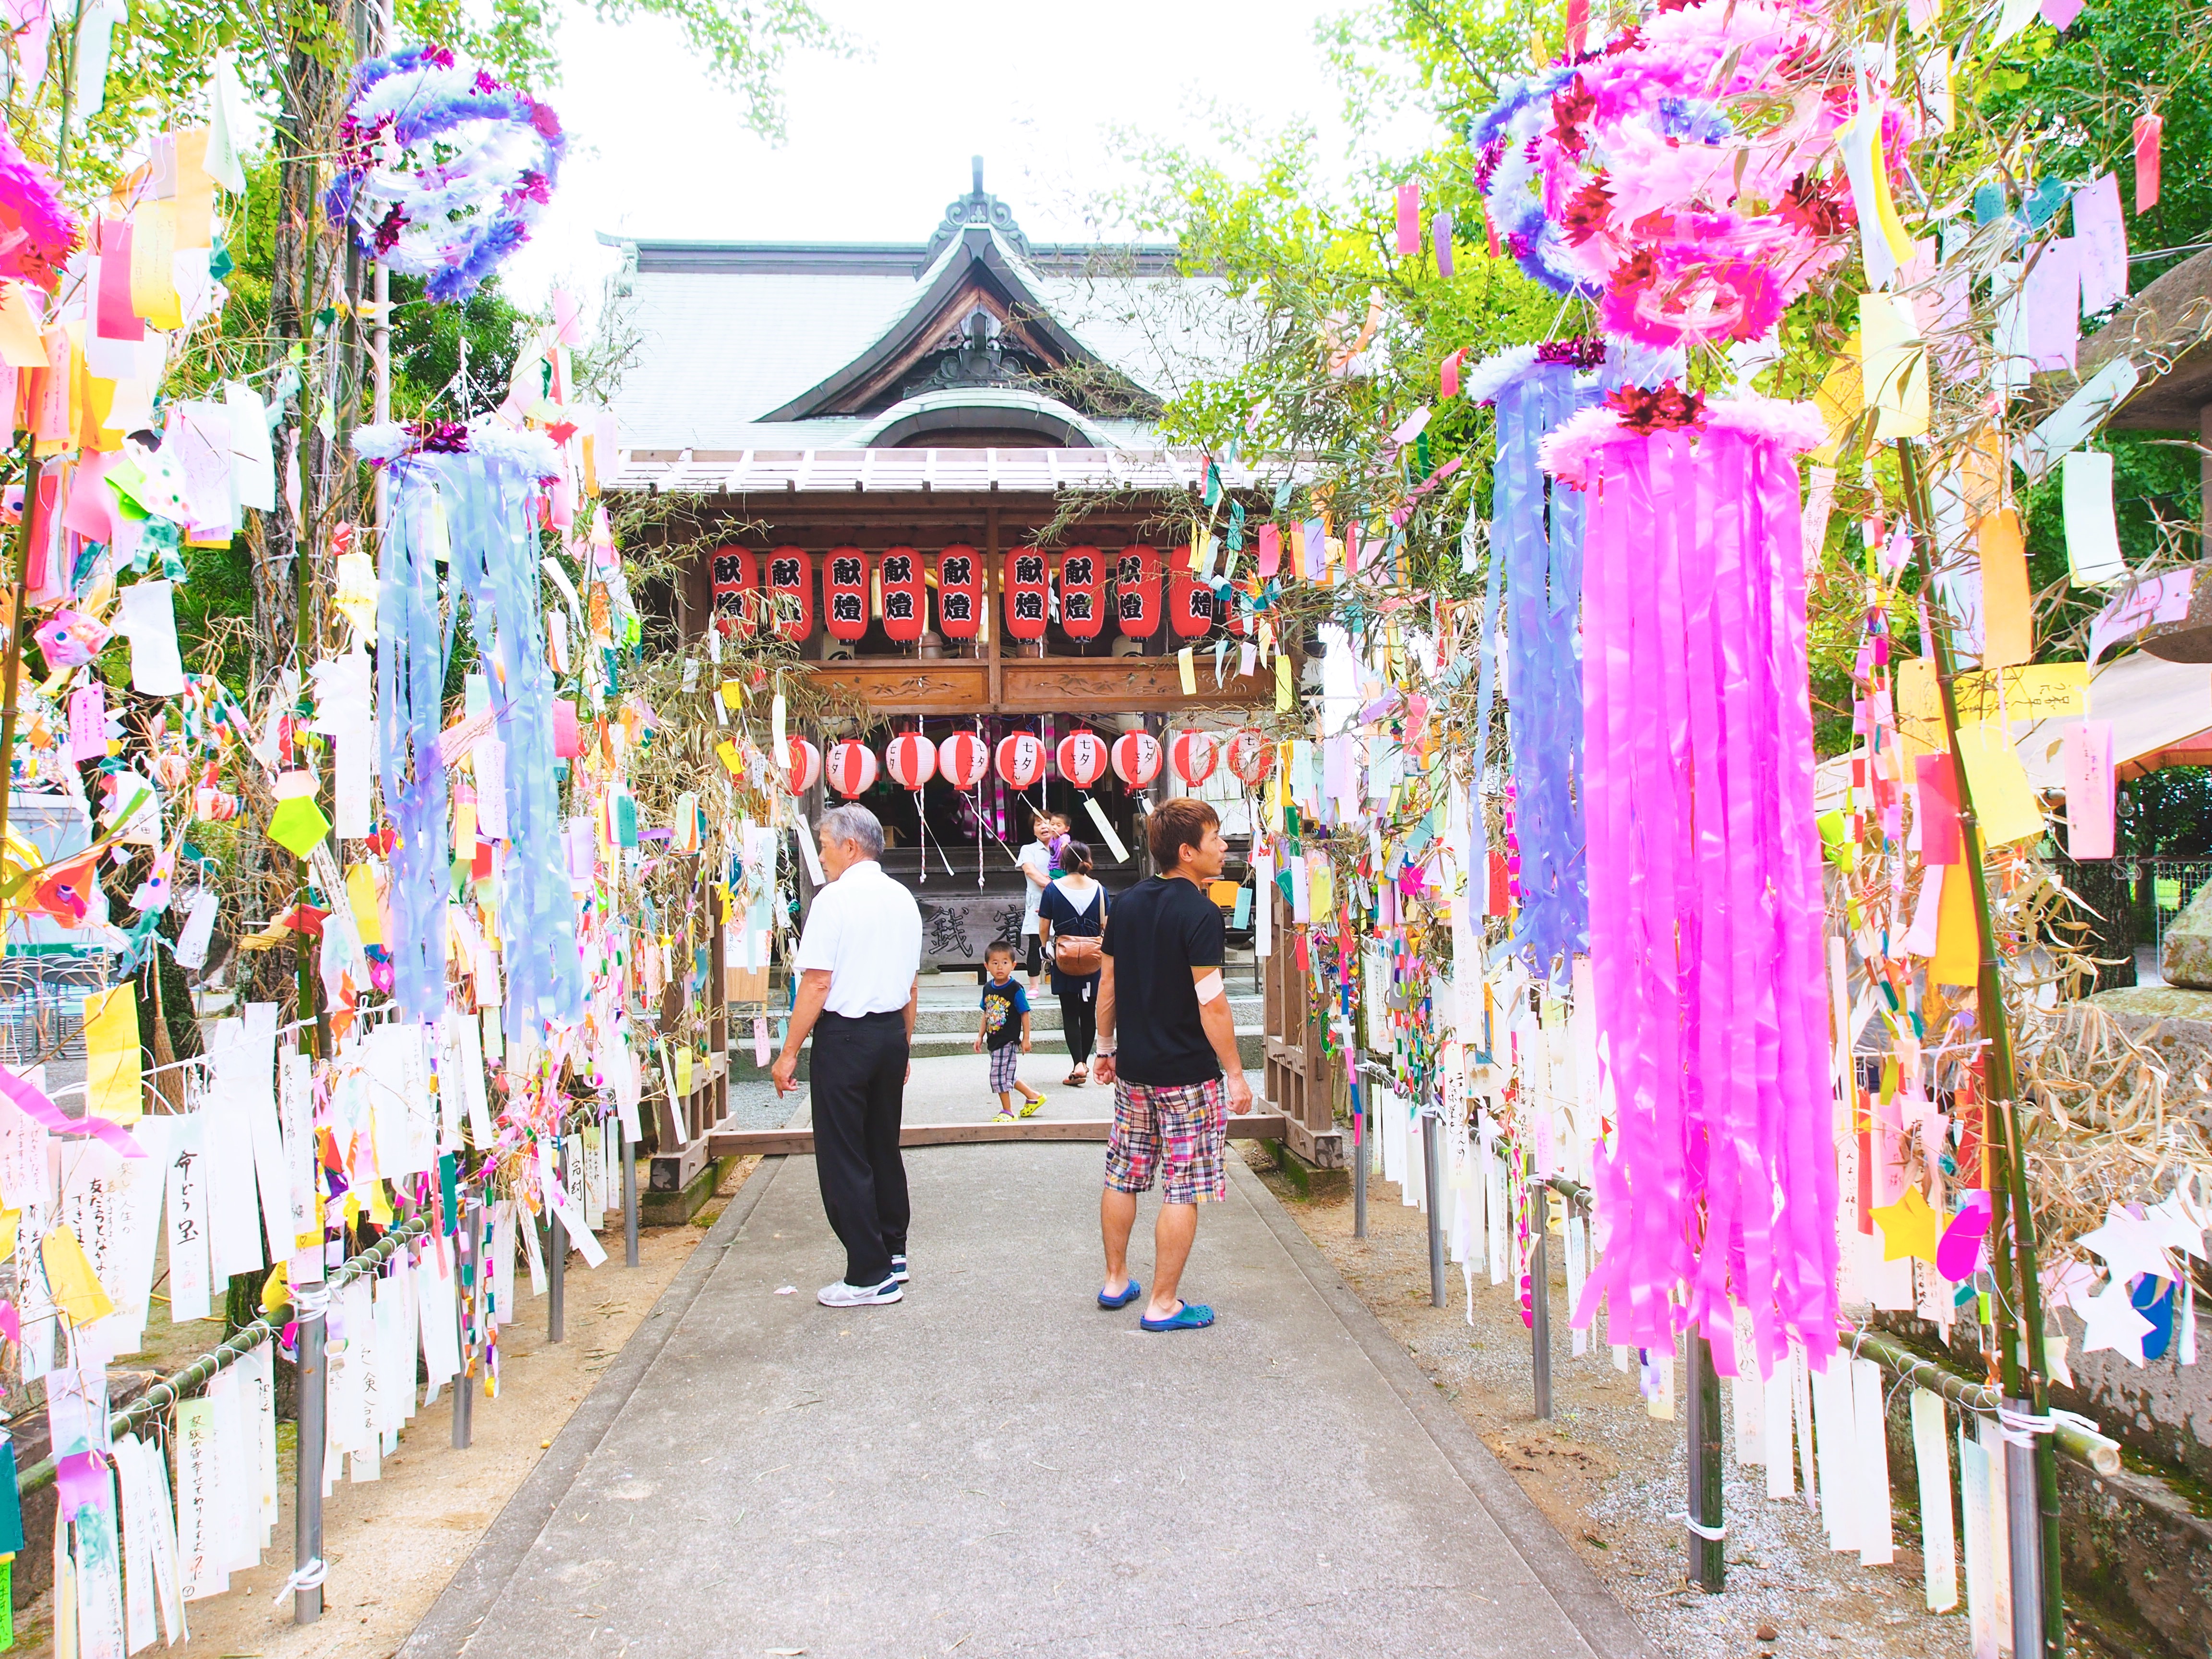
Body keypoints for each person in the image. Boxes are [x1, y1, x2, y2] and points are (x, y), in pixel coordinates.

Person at [1092, 798, 1252, 1332]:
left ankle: (1116, 1281)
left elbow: (1108, 985)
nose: (1224, 847)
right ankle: (1163, 1303)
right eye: (1215, 838)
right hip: (1187, 1075)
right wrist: (1234, 1072)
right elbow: (1212, 1002)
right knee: (1182, 1186)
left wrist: (1105, 1048)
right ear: (1188, 852)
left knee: (1124, 1172)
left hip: (1134, 1070)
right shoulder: (1201, 913)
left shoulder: (1127, 903)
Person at [770, 804, 922, 1309]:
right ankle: (892, 1252)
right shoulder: (903, 898)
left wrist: (789, 1052)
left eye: (825, 845)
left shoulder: (834, 900)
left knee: (844, 1154)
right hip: (887, 1034)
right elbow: (910, 985)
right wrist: (904, 1045)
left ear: (850, 847)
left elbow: (817, 982)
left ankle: (868, 1272)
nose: (822, 855)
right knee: (881, 1145)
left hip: (847, 1036)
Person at [1036, 838, 1106, 1087]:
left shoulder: (1053, 889)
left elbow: (1044, 924)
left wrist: (1045, 946)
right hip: (1092, 958)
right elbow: (1105, 924)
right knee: (1089, 1011)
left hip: (1064, 956)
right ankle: (1084, 1063)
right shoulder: (1099, 889)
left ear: (1064, 862)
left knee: (1070, 1011)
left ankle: (1077, 1063)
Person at [974, 941, 1046, 1121]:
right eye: (995, 963)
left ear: (1013, 965)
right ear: (987, 966)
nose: (1000, 967)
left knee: (999, 1075)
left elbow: (1025, 1013)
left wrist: (1026, 1039)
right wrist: (980, 1036)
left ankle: (1007, 1111)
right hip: (994, 1040)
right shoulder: (988, 988)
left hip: (1008, 1041)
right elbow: (987, 1013)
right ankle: (1033, 1096)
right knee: (1007, 1074)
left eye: (1005, 962)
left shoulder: (1015, 989)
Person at [1014, 808, 1061, 990]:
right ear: (1033, 830)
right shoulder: (1028, 849)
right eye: (1038, 823)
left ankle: (1058, 984)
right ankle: (1034, 987)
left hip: (1061, 903)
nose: (1043, 826)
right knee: (1035, 943)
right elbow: (1030, 871)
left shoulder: (1063, 847)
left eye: (1047, 822)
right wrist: (1054, 888)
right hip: (1038, 903)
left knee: (1060, 943)